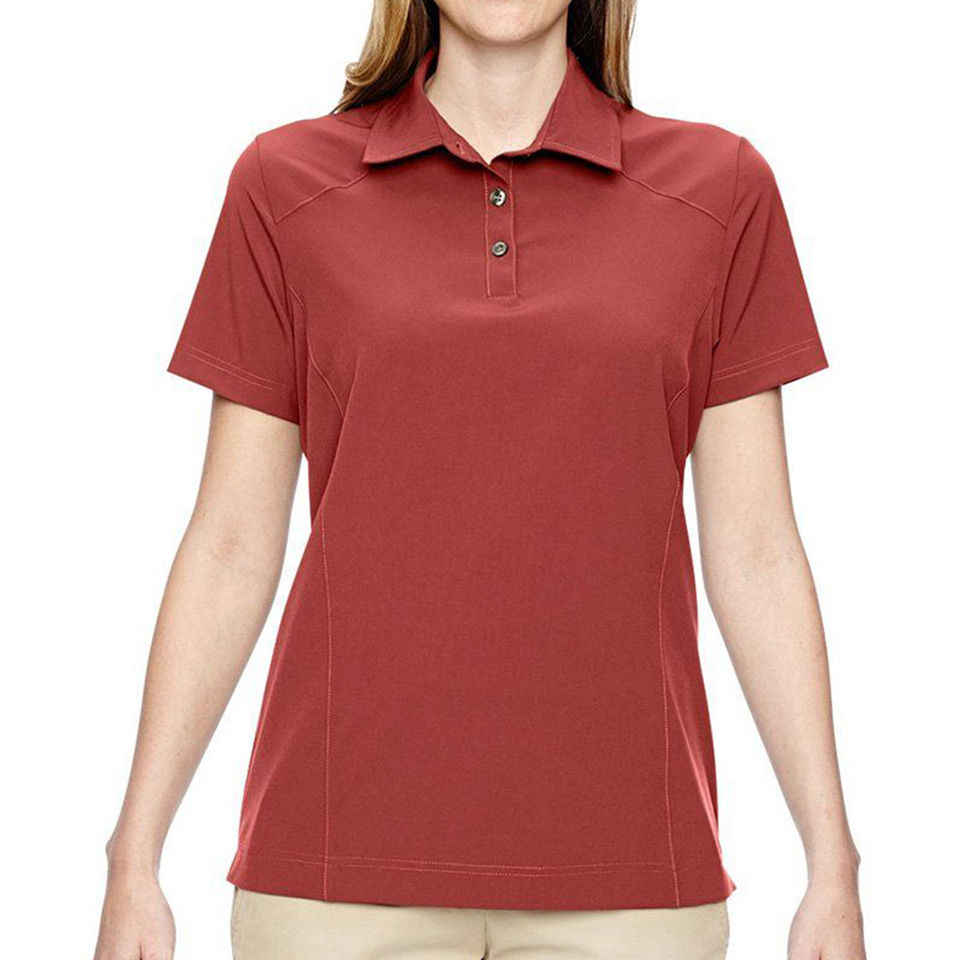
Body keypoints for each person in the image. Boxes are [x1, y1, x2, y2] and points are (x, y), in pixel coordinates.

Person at [93, 1, 867, 958]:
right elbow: (228, 545)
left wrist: (832, 863)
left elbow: (756, 552)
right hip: (334, 876)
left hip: (633, 881)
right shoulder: (284, 184)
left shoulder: (720, 189)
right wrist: (135, 855)